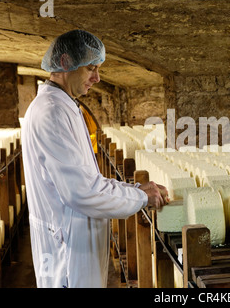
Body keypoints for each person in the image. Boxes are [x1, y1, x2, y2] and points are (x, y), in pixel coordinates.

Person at [21, 29, 168, 288]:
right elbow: (81, 192)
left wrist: (137, 189)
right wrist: (141, 197)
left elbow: (89, 180)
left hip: (76, 240)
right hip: (69, 250)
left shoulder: (64, 105)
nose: (97, 78)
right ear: (65, 63)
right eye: (91, 68)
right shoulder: (52, 113)